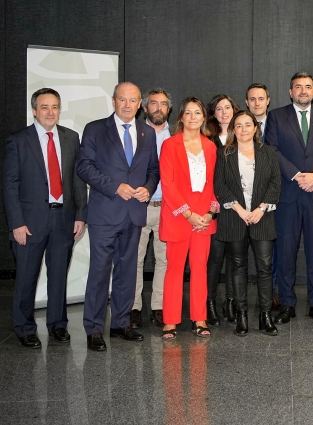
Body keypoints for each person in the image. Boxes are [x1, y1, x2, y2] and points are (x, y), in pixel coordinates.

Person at [77, 82, 159, 351]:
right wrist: (115, 186)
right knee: (100, 272)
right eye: (122, 99)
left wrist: (148, 189)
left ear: (139, 105)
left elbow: (153, 170)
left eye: (132, 100)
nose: (127, 105)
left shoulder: (147, 132)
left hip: (134, 213)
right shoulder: (95, 129)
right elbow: (84, 166)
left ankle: (121, 323)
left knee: (127, 271)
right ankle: (93, 329)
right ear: (113, 101)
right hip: (105, 212)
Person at [4, 88, 87, 348]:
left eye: (54, 107)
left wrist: (80, 216)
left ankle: (57, 325)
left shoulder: (71, 138)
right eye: (44, 107)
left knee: (59, 276)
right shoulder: (17, 140)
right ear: (34, 110)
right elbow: (9, 185)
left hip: (64, 218)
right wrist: (16, 223)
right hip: (29, 223)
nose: (50, 112)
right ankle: (25, 327)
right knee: (27, 277)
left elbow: (77, 180)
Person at [265, 71, 313, 325]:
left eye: (308, 86)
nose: (303, 91)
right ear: (290, 92)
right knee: (285, 251)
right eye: (298, 87)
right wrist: (297, 176)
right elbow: (272, 150)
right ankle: (287, 303)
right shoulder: (276, 117)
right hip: (288, 194)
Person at [214, 110, 280, 336]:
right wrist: (241, 210)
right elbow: (220, 186)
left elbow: (275, 184)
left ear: (255, 127)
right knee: (238, 267)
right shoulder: (224, 153)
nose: (243, 129)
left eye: (247, 125)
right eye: (238, 125)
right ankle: (241, 316)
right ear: (234, 129)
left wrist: (260, 209)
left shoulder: (268, 152)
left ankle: (265, 316)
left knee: (264, 268)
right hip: (235, 218)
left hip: (263, 217)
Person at [158, 96, 219, 339]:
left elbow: (215, 183)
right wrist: (187, 214)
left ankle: (199, 318)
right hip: (179, 216)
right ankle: (170, 321)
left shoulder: (211, 146)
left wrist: (210, 213)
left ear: (204, 118)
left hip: (204, 217)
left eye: (198, 113)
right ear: (181, 116)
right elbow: (168, 184)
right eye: (189, 113)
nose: (193, 117)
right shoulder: (170, 145)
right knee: (174, 269)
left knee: (200, 269)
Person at [132, 88, 172, 329]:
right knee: (134, 260)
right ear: (144, 108)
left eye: (163, 104)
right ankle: (133, 308)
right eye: (153, 103)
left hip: (167, 208)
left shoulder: (177, 137)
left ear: (169, 109)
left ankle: (159, 306)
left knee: (164, 260)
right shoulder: (134, 133)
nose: (158, 108)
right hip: (139, 206)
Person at [205, 94, 240, 326]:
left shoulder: (244, 137)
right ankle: (208, 303)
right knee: (215, 258)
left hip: (237, 208)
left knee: (235, 259)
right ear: (213, 114)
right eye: (219, 108)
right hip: (214, 207)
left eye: (227, 107)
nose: (224, 112)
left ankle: (231, 301)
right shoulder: (206, 139)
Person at [245, 83, 280, 310]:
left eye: (261, 99)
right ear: (247, 102)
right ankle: (239, 298)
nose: (257, 103)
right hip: (244, 199)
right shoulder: (239, 126)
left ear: (268, 100)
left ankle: (269, 294)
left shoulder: (279, 123)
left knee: (271, 250)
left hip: (272, 197)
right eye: (252, 99)